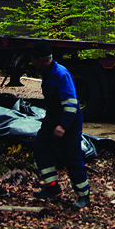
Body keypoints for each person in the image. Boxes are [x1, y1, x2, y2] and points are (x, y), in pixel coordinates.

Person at [29, 41, 89, 210]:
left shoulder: (61, 74)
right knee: (40, 146)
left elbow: (71, 104)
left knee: (71, 157)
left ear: (41, 60)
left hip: (69, 121)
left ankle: (84, 196)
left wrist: (62, 126)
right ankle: (52, 186)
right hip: (53, 118)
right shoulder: (46, 73)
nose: (32, 62)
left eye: (33, 59)